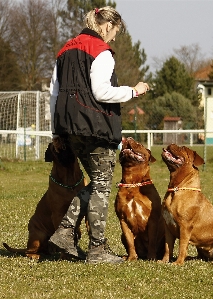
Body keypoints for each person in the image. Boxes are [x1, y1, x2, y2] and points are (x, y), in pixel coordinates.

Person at [48, 6, 149, 264]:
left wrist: (56, 131)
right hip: (95, 127)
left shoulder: (65, 50)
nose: (113, 38)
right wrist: (133, 91)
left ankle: (65, 232)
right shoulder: (101, 52)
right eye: (114, 32)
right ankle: (96, 250)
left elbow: (54, 94)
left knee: (97, 184)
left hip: (69, 128)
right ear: (106, 26)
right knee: (101, 186)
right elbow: (102, 92)